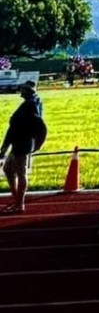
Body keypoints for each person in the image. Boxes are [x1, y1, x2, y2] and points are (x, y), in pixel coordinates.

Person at [0, 82, 45, 214]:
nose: (21, 91)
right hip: (17, 143)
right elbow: (13, 127)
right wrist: (5, 146)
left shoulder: (31, 105)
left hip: (23, 144)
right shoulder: (31, 103)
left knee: (20, 173)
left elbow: (41, 126)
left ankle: (20, 204)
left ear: (28, 91)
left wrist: (38, 144)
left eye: (23, 89)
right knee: (7, 169)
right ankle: (17, 199)